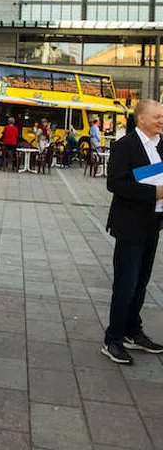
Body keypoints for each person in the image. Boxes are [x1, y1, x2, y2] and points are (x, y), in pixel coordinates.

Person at [101, 99, 163, 364]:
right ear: (141, 119)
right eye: (157, 116)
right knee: (125, 284)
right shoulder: (125, 146)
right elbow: (115, 183)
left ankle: (132, 331)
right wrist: (155, 192)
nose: (161, 120)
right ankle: (113, 339)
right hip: (129, 226)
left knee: (141, 282)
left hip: (153, 224)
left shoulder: (161, 146)